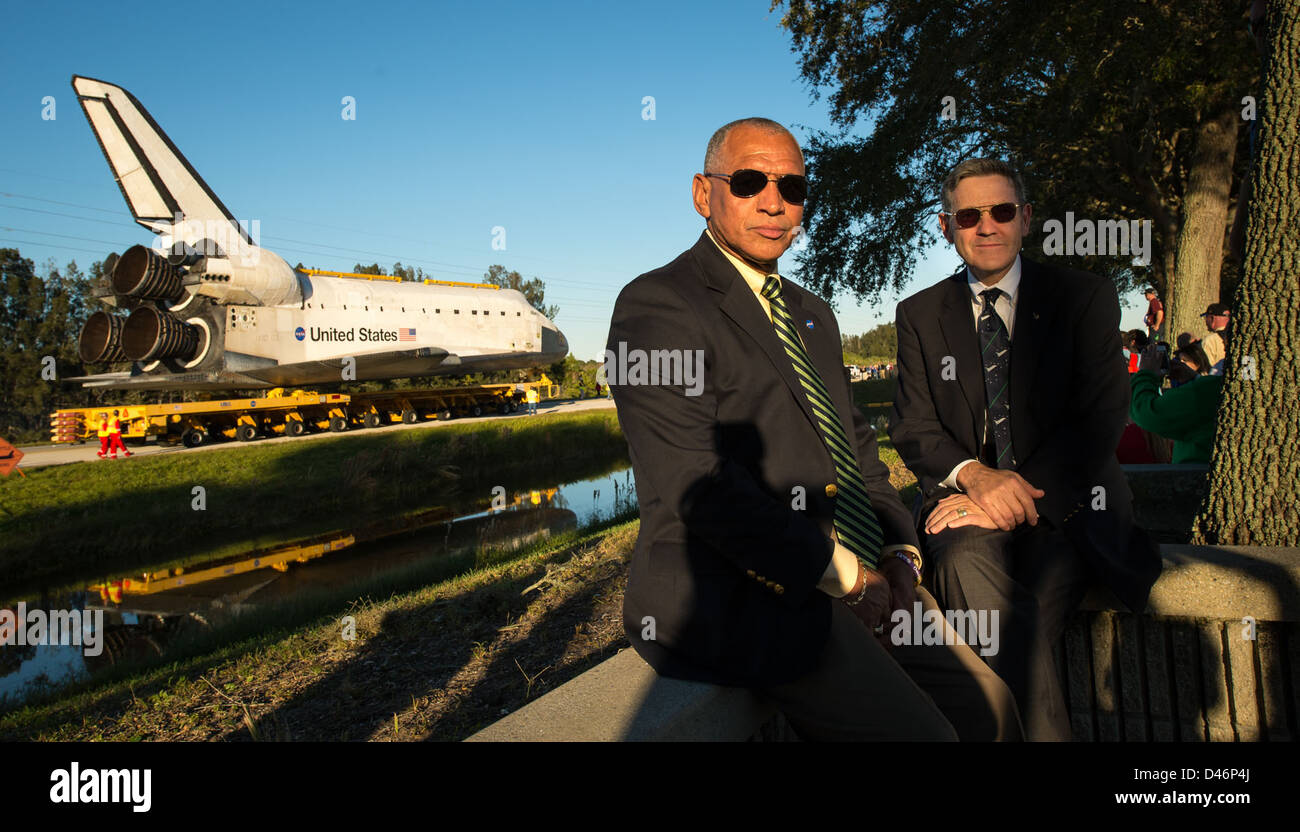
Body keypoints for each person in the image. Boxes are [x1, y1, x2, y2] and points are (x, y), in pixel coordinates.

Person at [606, 118, 1021, 741]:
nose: (774, 202)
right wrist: (847, 579)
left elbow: (857, 451)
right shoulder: (657, 306)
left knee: (992, 709)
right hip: (751, 595)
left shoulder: (812, 313)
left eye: (793, 187)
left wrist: (899, 553)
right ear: (703, 193)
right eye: (749, 181)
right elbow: (698, 485)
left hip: (870, 579)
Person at [890, 157, 1161, 741]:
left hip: (1068, 509)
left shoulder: (1082, 297)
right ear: (946, 227)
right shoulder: (917, 314)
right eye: (969, 215)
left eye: (1002, 211)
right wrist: (974, 477)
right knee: (965, 566)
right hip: (965, 510)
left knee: (1017, 622)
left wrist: (1004, 492)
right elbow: (913, 426)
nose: (986, 226)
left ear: (1026, 219)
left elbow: (1099, 419)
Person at [1130, 343, 1224, 464]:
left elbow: (1146, 413)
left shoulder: (1204, 391)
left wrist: (1146, 375)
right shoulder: (1212, 388)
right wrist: (1195, 379)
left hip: (1197, 475)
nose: (1224, 343)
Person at [1199, 303, 1230, 375]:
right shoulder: (1238, 338)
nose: (1205, 322)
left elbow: (1205, 371)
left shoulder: (1210, 340)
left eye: (1206, 317)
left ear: (1212, 319)